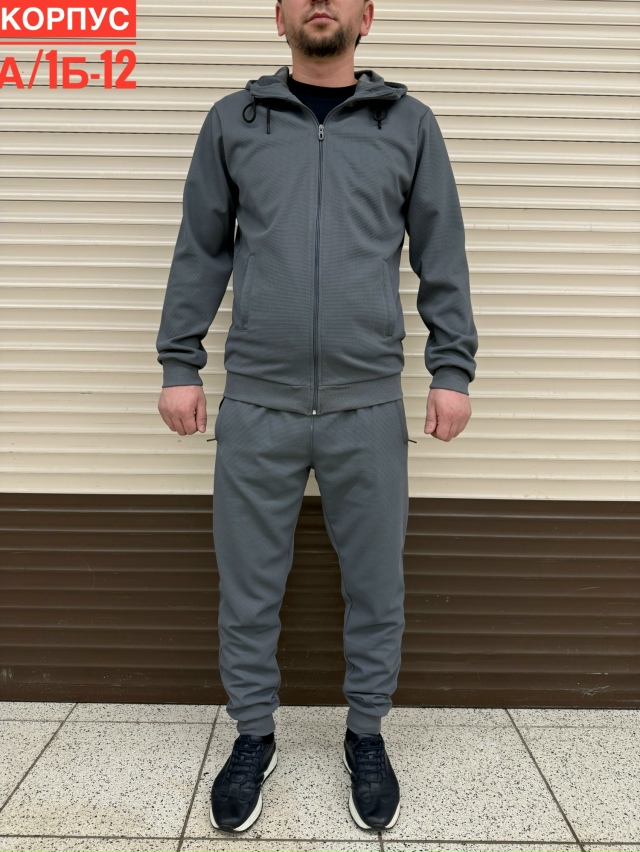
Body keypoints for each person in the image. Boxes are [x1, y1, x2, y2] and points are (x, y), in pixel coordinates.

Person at [155, 0, 478, 836]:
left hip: (366, 402)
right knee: (248, 586)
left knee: (375, 585)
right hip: (257, 402)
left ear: (367, 16)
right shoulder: (234, 122)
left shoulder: (409, 125)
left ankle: (365, 733)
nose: (320, 1)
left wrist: (451, 369)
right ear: (280, 18)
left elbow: (441, 251)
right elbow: (201, 247)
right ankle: (252, 736)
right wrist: (180, 362)